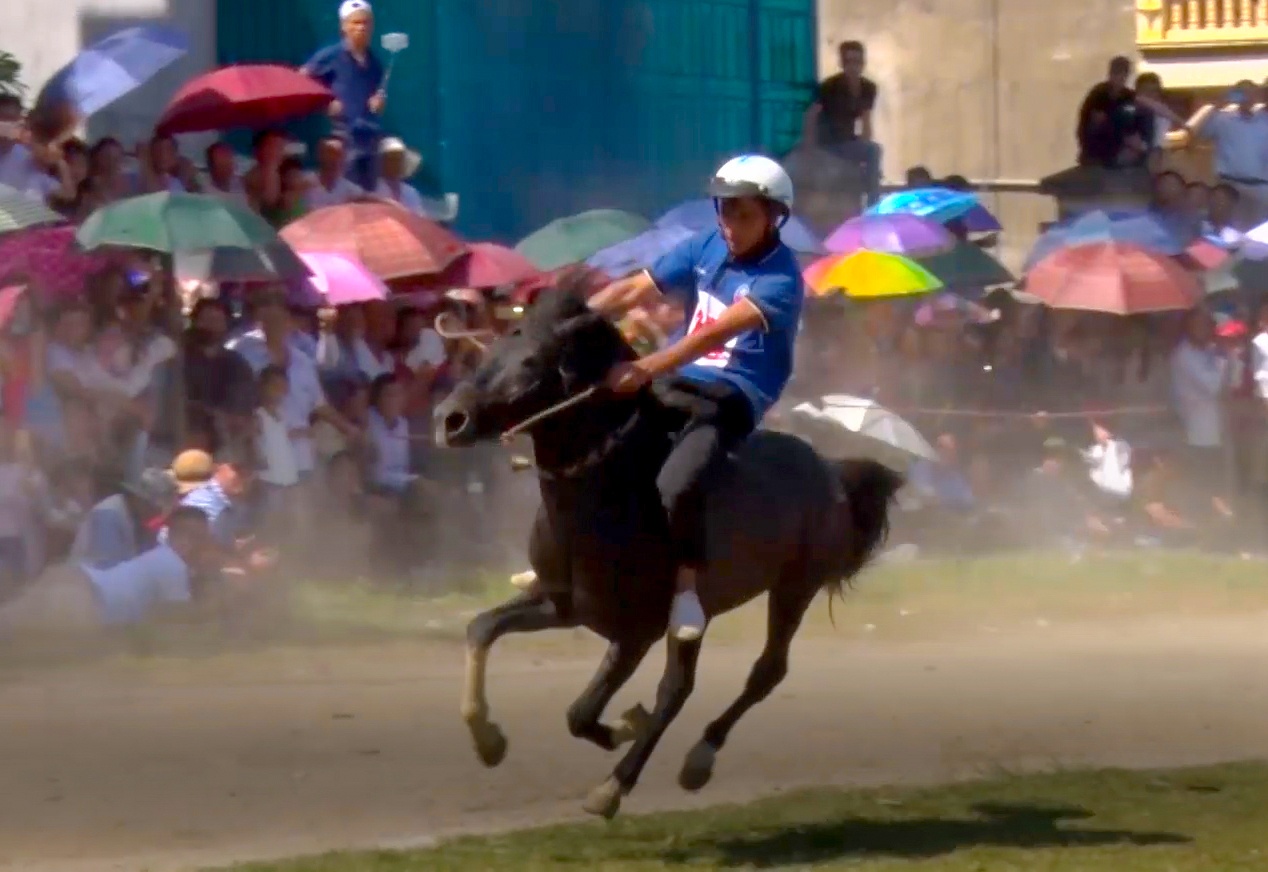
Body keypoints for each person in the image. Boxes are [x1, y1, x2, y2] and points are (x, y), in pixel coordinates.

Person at [585, 154, 804, 640]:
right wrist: (570, 319)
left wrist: (643, 368)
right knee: (600, 438)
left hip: (736, 391)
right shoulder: (705, 243)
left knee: (676, 481)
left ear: (774, 218)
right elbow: (635, 288)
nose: (729, 225)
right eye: (724, 211)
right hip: (680, 377)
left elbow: (705, 340)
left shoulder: (782, 279)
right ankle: (572, 554)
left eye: (744, 214)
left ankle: (687, 590)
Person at [0, 505, 213, 634]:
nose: (205, 546)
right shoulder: (173, 566)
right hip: (83, 599)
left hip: (74, 580)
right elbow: (181, 621)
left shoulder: (160, 557)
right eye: (203, 539)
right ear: (188, 538)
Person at [301, 0, 386, 192]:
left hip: (370, 139)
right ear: (344, 26)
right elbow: (303, 78)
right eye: (355, 23)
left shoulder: (375, 63)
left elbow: (375, 96)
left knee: (369, 198)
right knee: (346, 197)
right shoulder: (331, 56)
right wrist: (325, 101)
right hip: (342, 139)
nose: (361, 28)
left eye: (366, 22)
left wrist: (379, 103)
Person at [802, 40, 881, 205]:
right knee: (872, 151)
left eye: (857, 62)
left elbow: (866, 120)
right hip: (828, 144)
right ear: (842, 63)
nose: (853, 67)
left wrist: (862, 151)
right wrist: (810, 150)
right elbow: (811, 115)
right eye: (848, 62)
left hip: (848, 143)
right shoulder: (830, 86)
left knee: (873, 150)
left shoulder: (868, 88)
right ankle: (873, 201)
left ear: (863, 63)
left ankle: (873, 202)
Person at [1077, 56, 1152, 168]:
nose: (1119, 78)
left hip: (1122, 150)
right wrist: (1125, 138)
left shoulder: (1128, 96)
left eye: (1123, 74)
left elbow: (1143, 111)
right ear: (1110, 74)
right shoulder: (1099, 94)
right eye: (1116, 73)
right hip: (1098, 151)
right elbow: (1096, 125)